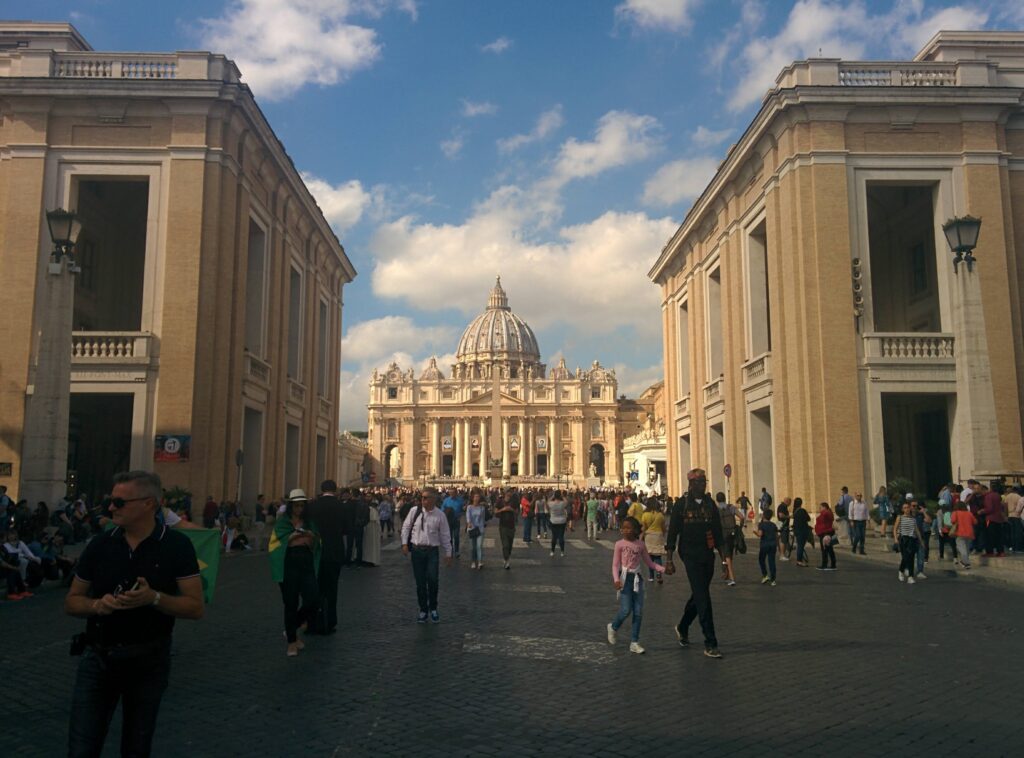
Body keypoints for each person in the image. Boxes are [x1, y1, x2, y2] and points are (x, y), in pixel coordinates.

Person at [64, 470, 203, 757]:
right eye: (110, 502)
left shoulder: (177, 546)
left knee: (137, 747)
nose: (111, 508)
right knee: (81, 748)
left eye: (119, 502)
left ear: (149, 504)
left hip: (148, 662)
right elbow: (73, 601)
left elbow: (195, 607)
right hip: (98, 659)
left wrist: (153, 598)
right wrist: (96, 606)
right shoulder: (100, 544)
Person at [664, 468, 726, 659]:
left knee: (700, 594)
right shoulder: (681, 505)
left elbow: (718, 533)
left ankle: (683, 626)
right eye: (699, 482)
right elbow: (672, 533)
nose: (703, 484)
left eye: (704, 481)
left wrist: (724, 560)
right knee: (703, 598)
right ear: (691, 484)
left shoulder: (710, 504)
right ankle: (711, 642)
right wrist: (669, 560)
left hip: (708, 555)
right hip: (689, 555)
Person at [270, 489, 321, 656]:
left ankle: (292, 626)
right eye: (296, 506)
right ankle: (291, 641)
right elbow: (275, 544)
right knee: (290, 602)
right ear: (291, 506)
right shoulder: (282, 523)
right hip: (288, 563)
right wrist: (291, 538)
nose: (299, 509)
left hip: (306, 561)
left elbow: (317, 541)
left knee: (312, 599)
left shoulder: (309, 522)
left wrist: (311, 537)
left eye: (302, 506)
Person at [607, 517, 665, 654]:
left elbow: (650, 563)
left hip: (637, 579)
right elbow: (615, 565)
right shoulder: (619, 544)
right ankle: (613, 627)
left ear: (635, 530)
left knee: (638, 612)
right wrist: (616, 580)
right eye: (623, 528)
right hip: (624, 579)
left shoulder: (640, 545)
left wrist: (663, 569)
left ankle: (634, 642)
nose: (625, 530)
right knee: (626, 610)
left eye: (628, 528)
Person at [401, 489, 453, 623]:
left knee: (433, 580)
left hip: (432, 552)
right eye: (422, 497)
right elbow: (406, 527)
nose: (422, 500)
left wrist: (448, 552)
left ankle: (433, 608)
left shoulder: (440, 515)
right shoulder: (414, 511)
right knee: (420, 583)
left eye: (425, 498)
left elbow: (445, 535)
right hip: (417, 551)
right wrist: (404, 544)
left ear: (433, 500)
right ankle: (423, 610)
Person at [306, 480, 344, 635]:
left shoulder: (312, 506)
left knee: (313, 588)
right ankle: (330, 622)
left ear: (321, 490)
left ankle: (312, 622)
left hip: (314, 552)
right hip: (334, 552)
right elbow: (347, 528)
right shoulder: (341, 506)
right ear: (335, 490)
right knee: (331, 588)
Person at [893, 500, 924, 584]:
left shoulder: (913, 519)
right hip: (903, 539)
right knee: (906, 557)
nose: (906, 509)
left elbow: (917, 530)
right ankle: (901, 570)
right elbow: (895, 529)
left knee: (911, 558)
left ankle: (910, 577)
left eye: (907, 507)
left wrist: (921, 541)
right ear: (902, 509)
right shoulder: (900, 517)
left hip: (912, 539)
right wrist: (895, 539)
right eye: (905, 508)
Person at [715, 492, 740, 586]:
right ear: (725, 498)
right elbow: (741, 517)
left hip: (722, 534)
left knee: (727, 555)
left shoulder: (716, 510)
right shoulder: (731, 507)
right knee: (729, 553)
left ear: (717, 500)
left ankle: (731, 578)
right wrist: (739, 527)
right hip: (732, 533)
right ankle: (727, 573)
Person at [640, 499, 666, 583]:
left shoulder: (645, 515)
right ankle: (659, 573)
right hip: (658, 535)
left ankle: (651, 576)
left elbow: (644, 528)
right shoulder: (660, 515)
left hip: (649, 536)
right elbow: (663, 527)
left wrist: (641, 537)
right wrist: (663, 535)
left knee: (650, 557)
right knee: (658, 556)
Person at [755, 509, 779, 585]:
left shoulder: (761, 524)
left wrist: (754, 532)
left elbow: (760, 534)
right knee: (771, 561)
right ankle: (773, 580)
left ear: (764, 515)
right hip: (773, 544)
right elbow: (776, 536)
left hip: (764, 545)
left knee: (761, 559)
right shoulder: (773, 525)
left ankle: (765, 575)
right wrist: (777, 545)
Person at [950, 501, 976, 570]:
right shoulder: (969, 513)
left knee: (962, 549)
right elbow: (975, 522)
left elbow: (952, 521)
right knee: (967, 549)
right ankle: (964, 562)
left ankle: (966, 563)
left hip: (960, 533)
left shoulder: (955, 513)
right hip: (969, 533)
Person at [495, 491, 517, 570]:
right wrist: (503, 509)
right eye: (508, 492)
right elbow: (495, 512)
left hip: (511, 526)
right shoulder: (500, 502)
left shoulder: (513, 502)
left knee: (510, 545)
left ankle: (507, 557)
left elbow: (517, 512)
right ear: (505, 493)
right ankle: (506, 560)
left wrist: (511, 509)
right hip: (503, 526)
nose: (509, 494)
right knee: (505, 545)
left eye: (510, 492)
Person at [466, 491, 487, 569]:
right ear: (472, 498)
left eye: (478, 496)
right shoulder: (469, 507)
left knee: (479, 546)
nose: (477, 498)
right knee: (473, 547)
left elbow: (483, 518)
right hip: (472, 528)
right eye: (475, 496)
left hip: (480, 529)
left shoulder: (482, 508)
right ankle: (473, 561)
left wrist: (483, 525)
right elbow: (468, 516)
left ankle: (480, 562)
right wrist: (469, 523)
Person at [815, 503, 837, 571]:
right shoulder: (827, 513)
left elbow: (824, 520)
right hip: (826, 532)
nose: (819, 509)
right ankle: (833, 564)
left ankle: (824, 565)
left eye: (820, 507)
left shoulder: (826, 513)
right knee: (829, 549)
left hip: (825, 533)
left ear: (824, 507)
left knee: (825, 549)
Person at [548, 490, 569, 557]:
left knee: (554, 537)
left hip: (554, 521)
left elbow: (548, 501)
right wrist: (562, 496)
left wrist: (553, 496)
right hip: (562, 521)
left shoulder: (551, 503)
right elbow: (566, 501)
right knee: (561, 537)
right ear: (560, 496)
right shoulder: (562, 503)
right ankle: (562, 552)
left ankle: (552, 551)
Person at [792, 497, 812, 567]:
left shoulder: (795, 511)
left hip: (797, 530)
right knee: (800, 546)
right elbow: (808, 518)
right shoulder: (802, 511)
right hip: (802, 530)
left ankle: (799, 560)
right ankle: (799, 561)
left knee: (800, 545)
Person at [362, 500, 382, 566]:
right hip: (372, 531)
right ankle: (371, 560)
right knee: (372, 546)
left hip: (370, 530)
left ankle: (368, 559)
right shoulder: (373, 510)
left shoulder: (371, 510)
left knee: (368, 545)